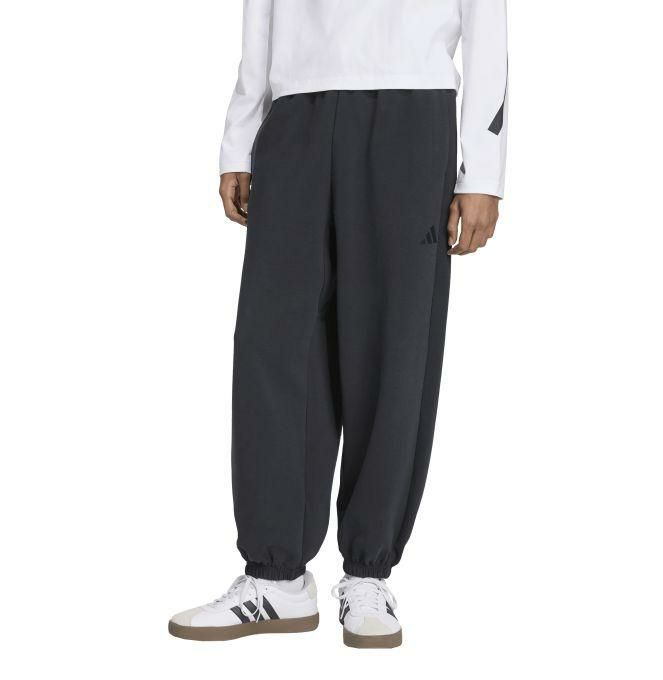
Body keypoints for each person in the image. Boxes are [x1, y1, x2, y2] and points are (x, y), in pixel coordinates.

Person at [169, 0, 508, 649]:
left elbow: (487, 18)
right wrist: (241, 130)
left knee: (392, 343)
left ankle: (368, 574)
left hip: (411, 104)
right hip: (296, 108)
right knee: (275, 343)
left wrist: (483, 167)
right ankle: (276, 577)